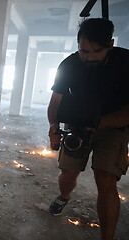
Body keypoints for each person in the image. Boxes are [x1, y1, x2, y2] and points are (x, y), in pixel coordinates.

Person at [47, 18, 129, 240]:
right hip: (77, 125)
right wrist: (54, 126)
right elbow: (55, 103)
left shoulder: (126, 63)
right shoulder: (69, 65)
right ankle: (64, 196)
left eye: (96, 51)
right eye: (84, 51)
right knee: (68, 173)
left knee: (106, 180)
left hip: (114, 127)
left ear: (110, 44)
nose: (89, 57)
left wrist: (97, 123)